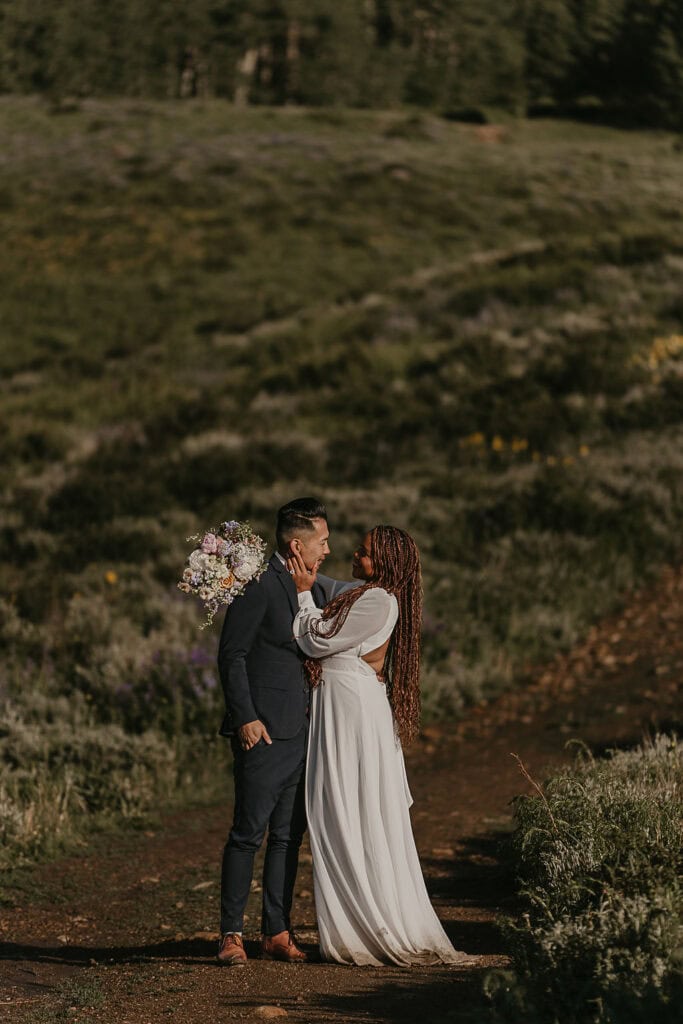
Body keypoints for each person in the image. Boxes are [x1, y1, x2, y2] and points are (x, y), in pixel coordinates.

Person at [288, 525, 469, 967]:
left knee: (348, 812)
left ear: (384, 562)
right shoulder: (365, 593)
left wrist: (301, 595)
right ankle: (352, 925)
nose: (355, 555)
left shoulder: (378, 600)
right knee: (341, 814)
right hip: (344, 711)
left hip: (351, 717)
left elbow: (317, 640)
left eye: (365, 554)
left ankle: (366, 929)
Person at [216, 497, 348, 966]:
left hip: (304, 731)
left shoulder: (311, 586)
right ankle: (231, 934)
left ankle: (276, 930)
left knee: (288, 839)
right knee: (247, 834)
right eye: (323, 541)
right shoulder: (256, 586)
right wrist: (246, 718)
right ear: (298, 544)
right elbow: (231, 655)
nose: (327, 550)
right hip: (264, 732)